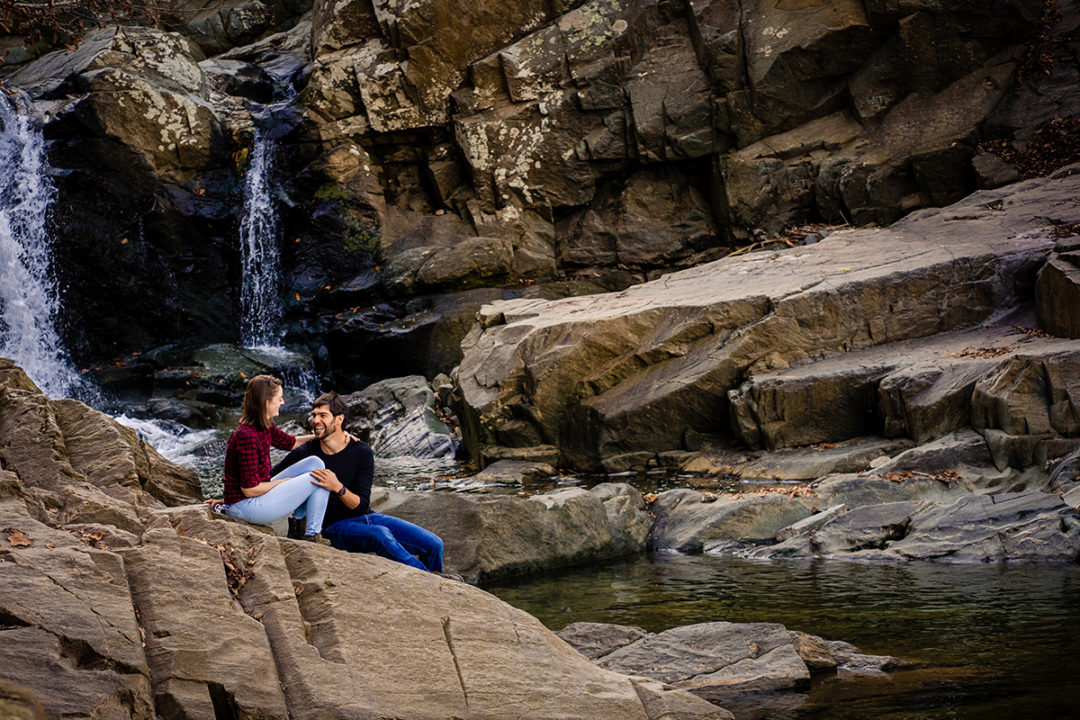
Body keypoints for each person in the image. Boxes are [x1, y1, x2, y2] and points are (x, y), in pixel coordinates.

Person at [273, 391, 454, 576]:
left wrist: (338, 487)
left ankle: (437, 586)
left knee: (434, 544)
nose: (315, 420)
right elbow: (271, 477)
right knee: (380, 535)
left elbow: (361, 505)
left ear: (339, 419)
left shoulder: (361, 451)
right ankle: (432, 580)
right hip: (333, 528)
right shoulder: (306, 453)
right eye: (314, 415)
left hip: (365, 517)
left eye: (322, 416)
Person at [204, 374, 331, 542]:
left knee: (316, 464)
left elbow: (291, 443)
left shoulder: (264, 425)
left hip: (254, 497)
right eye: (279, 398)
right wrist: (280, 483)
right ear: (266, 402)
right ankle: (311, 536)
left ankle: (298, 526)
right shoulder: (246, 435)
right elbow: (249, 489)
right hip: (246, 506)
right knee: (320, 478)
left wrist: (327, 435)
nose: (283, 402)